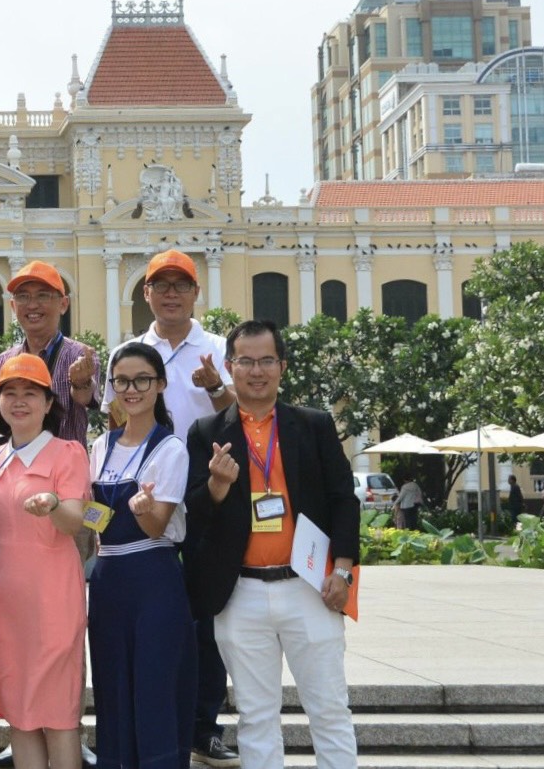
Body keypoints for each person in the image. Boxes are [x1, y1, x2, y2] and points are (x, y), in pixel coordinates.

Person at [184, 320, 359, 769]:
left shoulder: (313, 426)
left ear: (281, 366)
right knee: (256, 718)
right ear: (229, 367)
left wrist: (342, 572)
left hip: (309, 586)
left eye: (266, 361)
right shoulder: (207, 432)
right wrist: (219, 486)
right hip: (240, 592)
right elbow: (195, 513)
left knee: (329, 710)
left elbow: (343, 499)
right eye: (245, 361)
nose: (256, 371)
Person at [112, 248, 236, 769]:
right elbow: (116, 417)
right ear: (146, 293)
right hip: (149, 489)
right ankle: (152, 730)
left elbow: (244, 412)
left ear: (195, 293)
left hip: (207, 484)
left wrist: (216, 389)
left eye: (180, 285)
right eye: (159, 285)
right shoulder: (131, 349)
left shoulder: (218, 347)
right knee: (160, 614)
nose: (169, 294)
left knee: (205, 611)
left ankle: (203, 727)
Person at [0, 354, 90, 769]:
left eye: (30, 394)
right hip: (1, 599)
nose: (19, 402)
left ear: (47, 403)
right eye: (10, 393)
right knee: (19, 717)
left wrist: (54, 504)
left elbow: (74, 522)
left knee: (58, 716)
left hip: (53, 597)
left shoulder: (67, 453)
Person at [88, 341, 195, 769]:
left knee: (153, 687)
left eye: (142, 380)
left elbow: (156, 527)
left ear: (161, 384)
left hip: (152, 578)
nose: (131, 389)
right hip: (108, 580)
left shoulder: (171, 449)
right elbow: (94, 524)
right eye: (122, 381)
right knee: (112, 687)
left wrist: (147, 510)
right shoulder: (100, 446)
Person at [0, 262, 98, 447]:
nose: (32, 305)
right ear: (13, 306)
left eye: (42, 295)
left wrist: (81, 382)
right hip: (13, 470)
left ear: (63, 304)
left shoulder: (80, 356)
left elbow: (85, 398)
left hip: (65, 470)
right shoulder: (1, 363)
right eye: (23, 297)